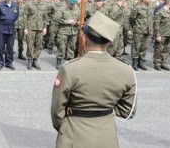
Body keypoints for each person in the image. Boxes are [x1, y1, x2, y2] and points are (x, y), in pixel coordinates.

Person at [51, 11, 136, 148]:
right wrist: (104, 112)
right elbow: (128, 110)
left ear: (83, 38)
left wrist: (65, 127)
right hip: (106, 135)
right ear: (110, 42)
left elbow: (57, 110)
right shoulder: (126, 70)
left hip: (74, 133)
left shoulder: (70, 69)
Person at [0, 0, 19, 70]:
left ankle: (9, 62)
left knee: (10, 47)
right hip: (1, 29)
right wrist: (1, 22)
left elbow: (16, 16)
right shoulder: (0, 5)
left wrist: (10, 21)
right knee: (0, 46)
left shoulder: (15, 5)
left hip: (11, 29)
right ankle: (0, 62)